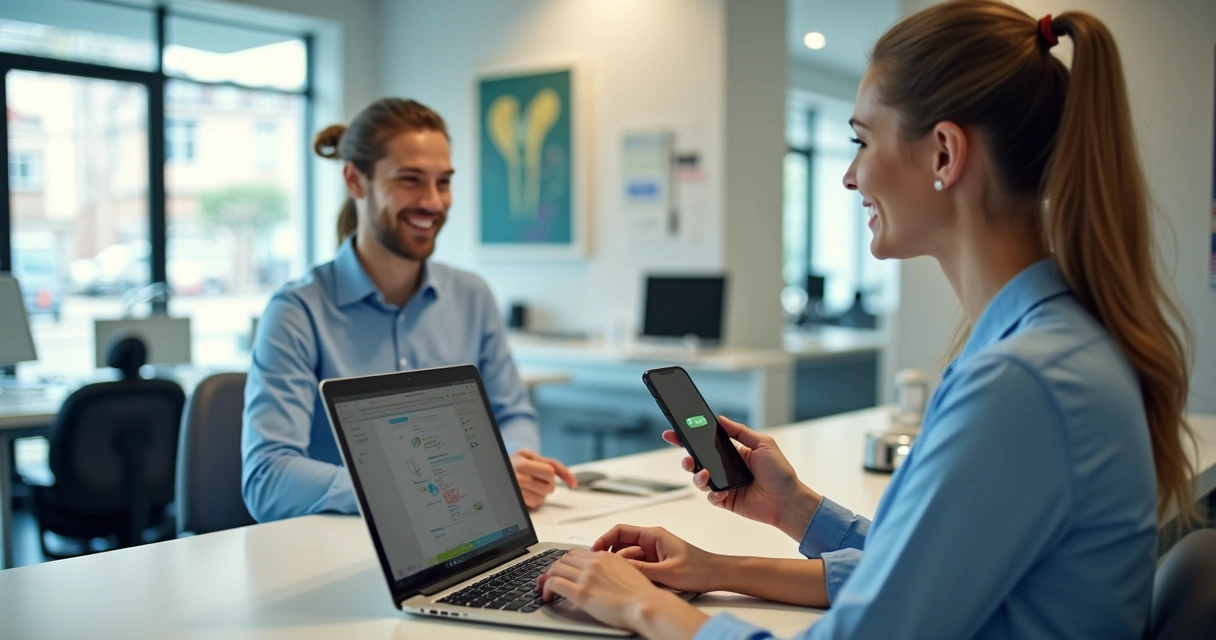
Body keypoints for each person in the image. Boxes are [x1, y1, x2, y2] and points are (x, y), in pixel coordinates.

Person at [534, 2, 1197, 638]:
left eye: (862, 141)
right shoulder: (1049, 344)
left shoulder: (1021, 382)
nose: (849, 177)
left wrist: (643, 608)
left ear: (944, 154)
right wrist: (780, 520)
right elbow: (924, 574)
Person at [242, 98, 576, 521]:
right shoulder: (296, 312)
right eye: (411, 180)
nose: (433, 202)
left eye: (444, 182)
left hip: (465, 529)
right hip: (344, 541)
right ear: (355, 180)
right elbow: (268, 478)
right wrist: (422, 488)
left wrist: (515, 463)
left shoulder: (471, 296)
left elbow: (512, 414)